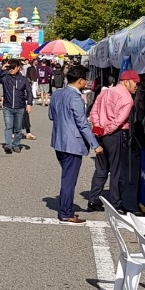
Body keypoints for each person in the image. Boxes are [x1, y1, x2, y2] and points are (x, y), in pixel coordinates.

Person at [84, 69, 141, 214]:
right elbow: (119, 120)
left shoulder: (105, 92)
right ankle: (115, 203)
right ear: (127, 81)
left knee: (101, 168)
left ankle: (93, 198)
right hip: (115, 135)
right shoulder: (127, 99)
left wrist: (98, 127)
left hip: (100, 133)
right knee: (116, 169)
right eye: (135, 83)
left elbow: (94, 111)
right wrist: (107, 129)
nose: (137, 86)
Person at [49, 64, 98, 223]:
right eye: (85, 81)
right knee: (69, 179)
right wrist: (95, 144)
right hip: (73, 144)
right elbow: (82, 124)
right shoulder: (76, 98)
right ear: (80, 81)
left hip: (59, 141)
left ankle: (66, 208)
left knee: (67, 177)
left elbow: (51, 115)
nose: (87, 84)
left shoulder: (57, 94)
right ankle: (66, 212)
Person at [0, 58, 33, 155]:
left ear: (18, 68)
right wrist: (2, 69)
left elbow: (29, 91)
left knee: (18, 128)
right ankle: (8, 145)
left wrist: (29, 103)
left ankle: (16, 145)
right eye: (9, 67)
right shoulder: (5, 77)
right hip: (7, 106)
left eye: (13, 67)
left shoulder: (23, 79)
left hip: (19, 107)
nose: (11, 69)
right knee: (8, 126)